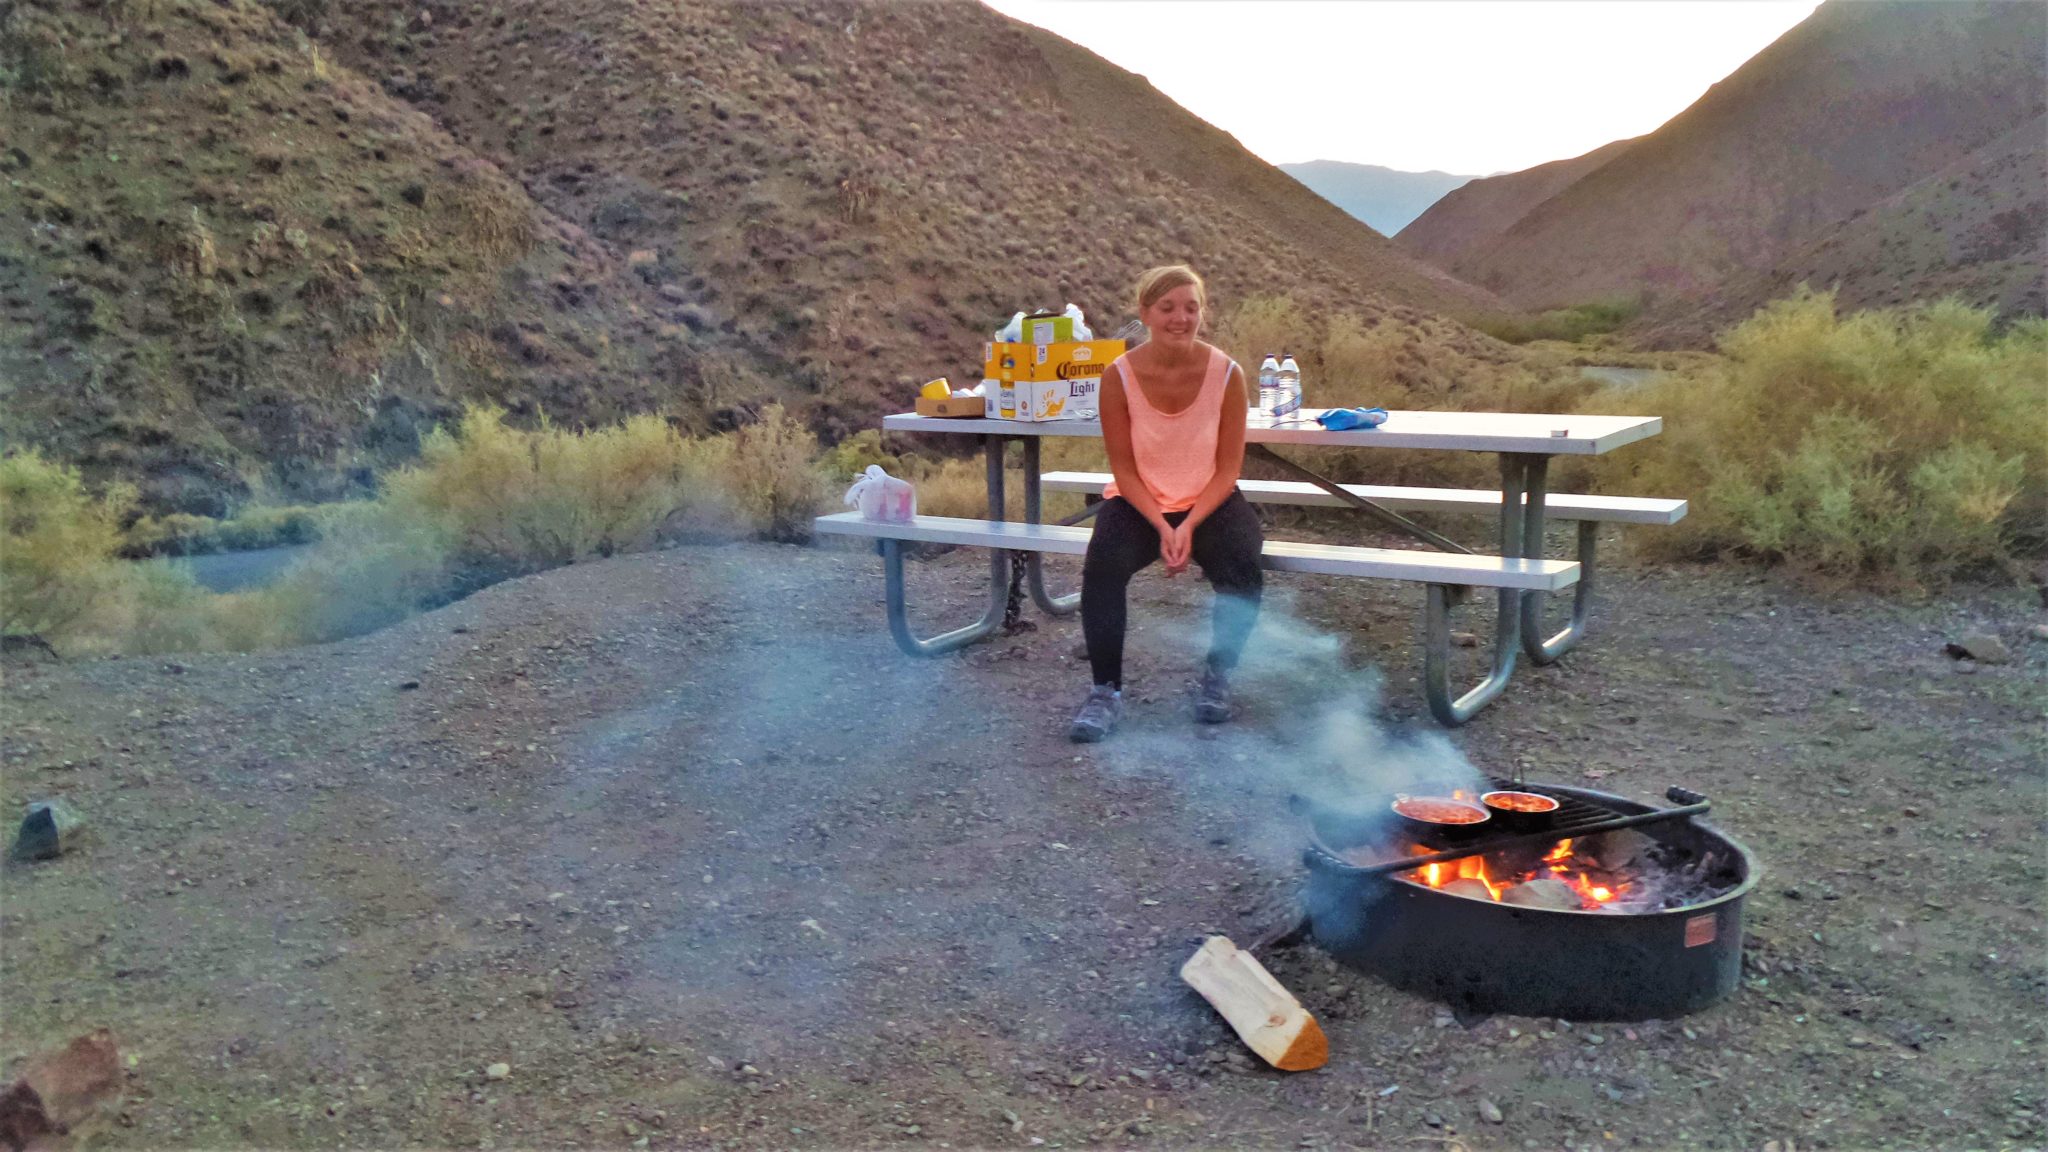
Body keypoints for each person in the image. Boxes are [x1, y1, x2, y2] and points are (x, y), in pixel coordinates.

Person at [1069, 265, 1263, 743]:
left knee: (1242, 563)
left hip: (1209, 498)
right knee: (1102, 566)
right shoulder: (1118, 375)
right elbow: (1125, 471)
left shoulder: (1227, 374)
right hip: (1141, 499)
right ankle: (1105, 691)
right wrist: (1162, 524)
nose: (1180, 318)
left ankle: (1217, 679)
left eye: (1191, 308)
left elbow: (1226, 470)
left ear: (1202, 313)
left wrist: (1189, 523)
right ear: (1146, 314)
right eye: (1168, 308)